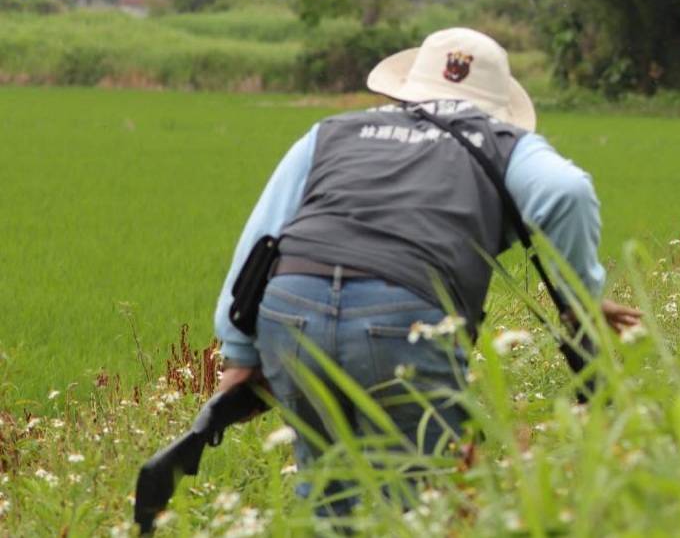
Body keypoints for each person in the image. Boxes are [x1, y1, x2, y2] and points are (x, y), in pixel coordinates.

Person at [211, 27, 640, 508]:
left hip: (290, 310)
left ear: (408, 86)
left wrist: (239, 352)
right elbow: (568, 191)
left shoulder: (332, 133)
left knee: (329, 490)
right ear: (496, 102)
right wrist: (578, 300)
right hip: (402, 314)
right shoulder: (504, 143)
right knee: (418, 499)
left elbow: (262, 239)